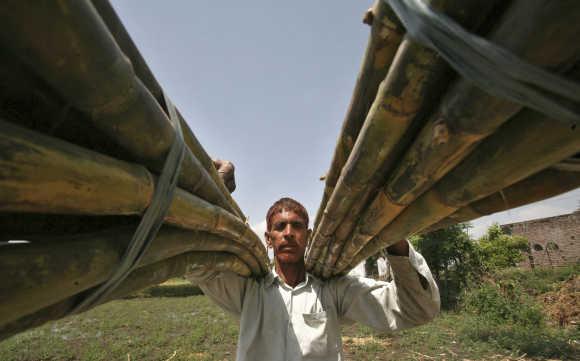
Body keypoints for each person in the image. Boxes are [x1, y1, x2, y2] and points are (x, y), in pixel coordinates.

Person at [186, 195, 440, 361]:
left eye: (296, 226)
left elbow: (415, 309)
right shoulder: (249, 293)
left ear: (308, 236)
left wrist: (392, 237)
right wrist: (213, 197)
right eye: (279, 227)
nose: (288, 234)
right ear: (268, 239)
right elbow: (196, 264)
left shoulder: (334, 292)